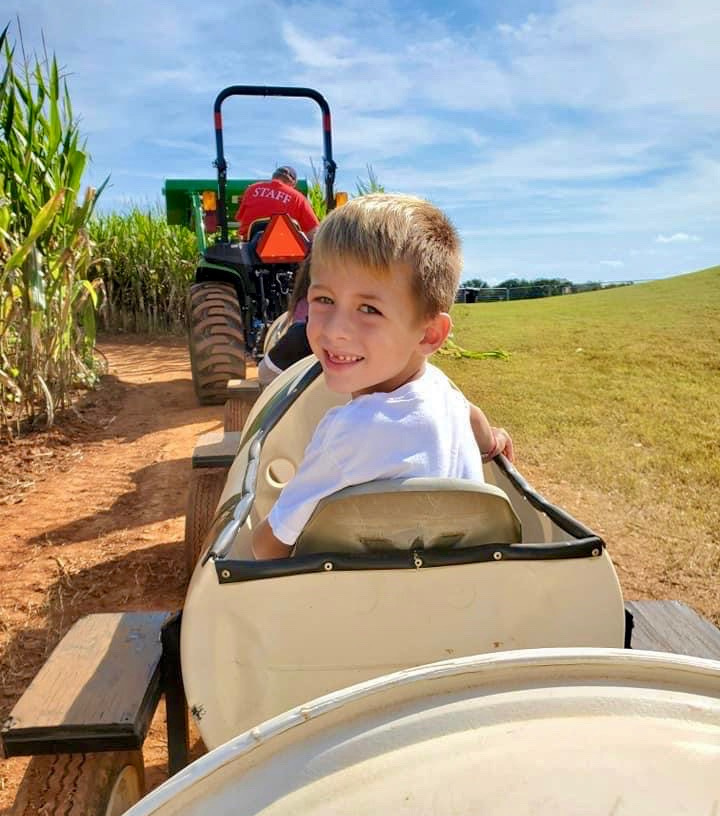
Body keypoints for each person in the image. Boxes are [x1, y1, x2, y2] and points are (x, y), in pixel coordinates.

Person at [252, 194, 512, 560]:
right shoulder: (442, 391)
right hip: (457, 601)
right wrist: (493, 441)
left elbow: (268, 548)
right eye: (323, 300)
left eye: (369, 309)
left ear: (428, 334)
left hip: (356, 607)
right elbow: (471, 417)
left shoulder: (348, 432)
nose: (335, 330)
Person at [234, 165, 319, 241]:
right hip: (285, 250)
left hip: (250, 249)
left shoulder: (252, 189)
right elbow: (314, 232)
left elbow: (241, 219)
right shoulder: (298, 198)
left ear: (273, 177)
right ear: (293, 184)